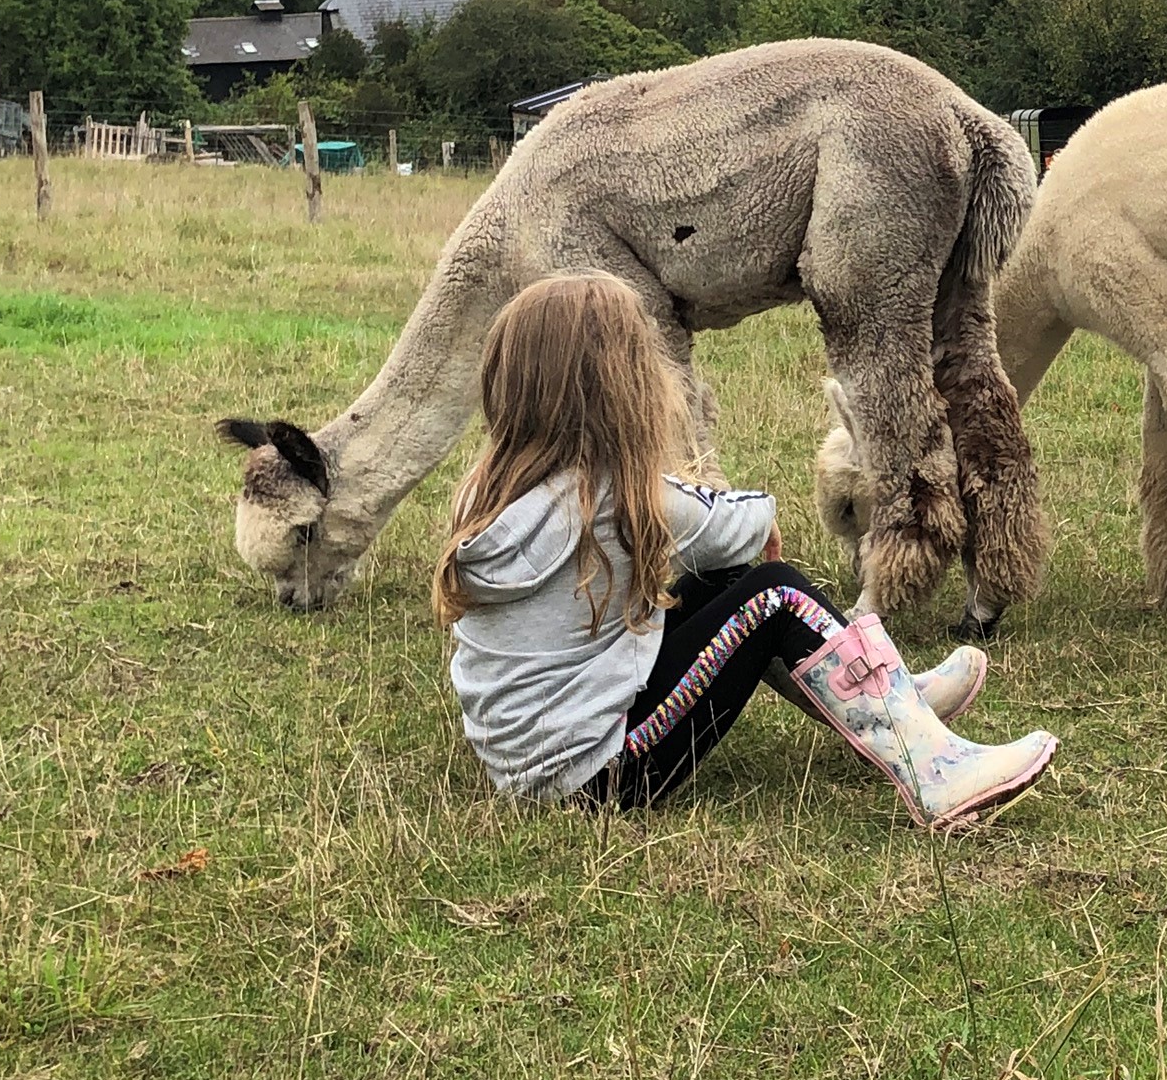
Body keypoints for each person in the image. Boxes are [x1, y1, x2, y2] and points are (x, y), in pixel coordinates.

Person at [432, 270, 1057, 825]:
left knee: (718, 586)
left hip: (520, 766)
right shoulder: (616, 501)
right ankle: (932, 766)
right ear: (620, 391)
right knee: (773, 595)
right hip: (599, 776)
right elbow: (737, 524)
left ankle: (894, 700)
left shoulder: (488, 493)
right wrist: (757, 531)